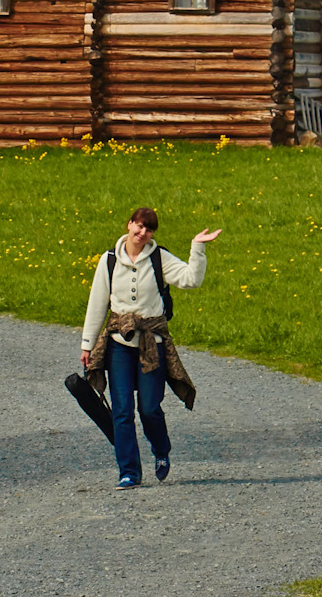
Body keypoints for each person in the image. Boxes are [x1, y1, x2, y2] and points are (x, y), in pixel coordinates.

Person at [80, 206, 222, 488]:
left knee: (149, 408)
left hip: (151, 343)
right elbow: (97, 304)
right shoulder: (109, 260)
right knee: (122, 410)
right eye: (139, 226)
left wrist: (197, 248)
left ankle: (161, 450)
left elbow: (192, 280)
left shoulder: (159, 258)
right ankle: (129, 471)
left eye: (149, 229)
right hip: (119, 344)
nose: (143, 233)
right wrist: (87, 345)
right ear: (129, 224)